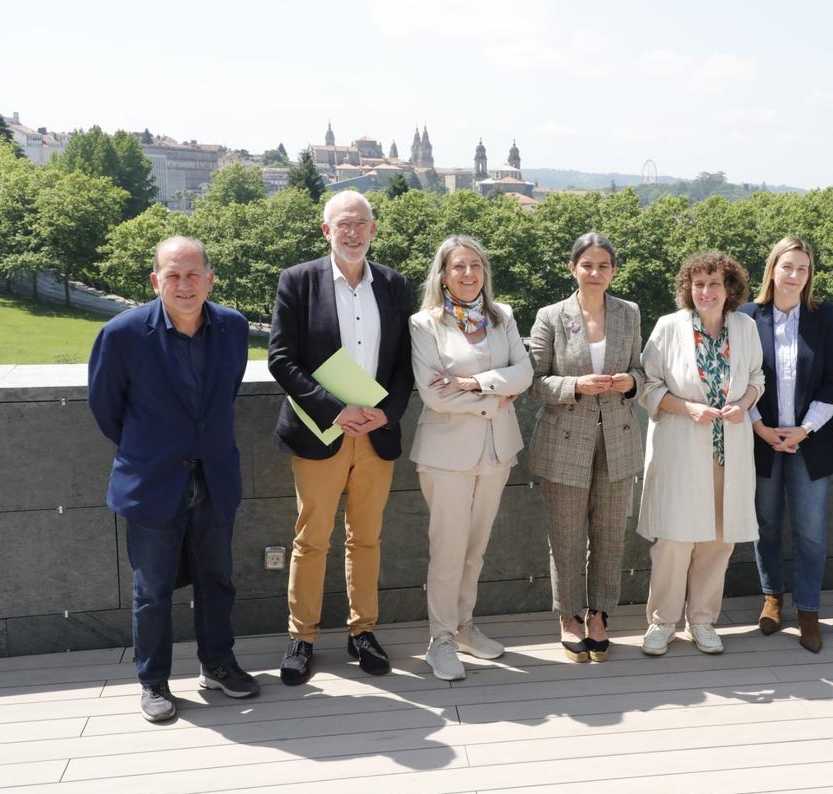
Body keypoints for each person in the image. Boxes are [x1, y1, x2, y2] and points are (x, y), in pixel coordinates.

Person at [88, 236, 259, 723]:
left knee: (216, 580)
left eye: (192, 275)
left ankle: (219, 664)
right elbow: (106, 410)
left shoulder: (232, 327)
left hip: (215, 478)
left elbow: (224, 395)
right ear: (155, 280)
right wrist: (155, 448)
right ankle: (153, 680)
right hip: (152, 480)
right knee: (152, 590)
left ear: (210, 278)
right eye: (172, 275)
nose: (183, 285)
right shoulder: (122, 334)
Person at [268, 189, 414, 684]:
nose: (352, 232)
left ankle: (362, 632)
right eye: (342, 225)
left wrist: (385, 414)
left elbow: (403, 366)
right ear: (326, 230)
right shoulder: (299, 281)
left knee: (366, 538)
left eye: (361, 224)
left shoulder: (394, 285)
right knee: (311, 540)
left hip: (375, 435)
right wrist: (336, 410)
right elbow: (281, 359)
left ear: (373, 230)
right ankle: (301, 637)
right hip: (320, 432)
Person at [409, 235, 533, 680]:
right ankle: (439, 640)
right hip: (446, 454)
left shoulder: (504, 318)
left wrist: (476, 384)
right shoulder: (425, 324)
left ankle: (463, 627)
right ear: (443, 275)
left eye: (475, 266)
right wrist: (492, 397)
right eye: (458, 267)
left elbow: (525, 372)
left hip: (497, 449)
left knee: (475, 549)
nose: (468, 275)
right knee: (448, 549)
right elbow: (433, 394)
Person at [638, 251, 764, 657]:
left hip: (729, 448)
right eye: (698, 284)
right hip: (680, 446)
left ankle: (704, 620)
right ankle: (663, 621)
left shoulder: (744, 327)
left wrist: (744, 403)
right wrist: (687, 407)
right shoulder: (669, 327)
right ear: (687, 289)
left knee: (719, 538)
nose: (706, 291)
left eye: (714, 283)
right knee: (675, 538)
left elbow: (757, 377)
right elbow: (648, 385)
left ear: (730, 289)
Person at [528, 232, 643, 663]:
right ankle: (569, 616)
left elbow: (640, 370)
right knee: (567, 539)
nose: (595, 273)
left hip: (618, 438)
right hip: (563, 442)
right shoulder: (551, 316)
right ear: (572, 267)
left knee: (612, 536)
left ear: (614, 271)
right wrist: (576, 385)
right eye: (587, 265)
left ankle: (600, 614)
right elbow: (534, 382)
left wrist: (631, 382)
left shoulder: (628, 313)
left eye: (604, 266)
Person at [739, 237, 833, 653]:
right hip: (761, 439)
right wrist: (760, 427)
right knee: (765, 523)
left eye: (803, 269)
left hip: (808, 442)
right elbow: (738, 379)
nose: (795, 276)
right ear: (772, 269)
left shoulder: (825, 316)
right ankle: (771, 597)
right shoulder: (747, 317)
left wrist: (805, 429)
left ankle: (809, 610)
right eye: (788, 267)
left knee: (812, 532)